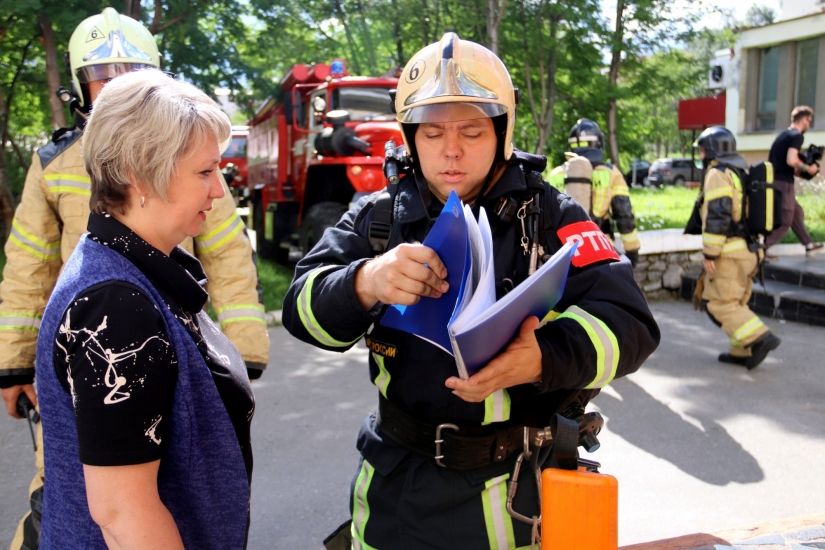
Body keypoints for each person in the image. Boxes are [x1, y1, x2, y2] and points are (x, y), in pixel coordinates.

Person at [283, 33, 659, 549]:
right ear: (410, 137)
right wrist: (364, 282)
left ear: (501, 132)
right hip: (395, 489)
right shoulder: (376, 218)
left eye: (472, 131)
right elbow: (301, 310)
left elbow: (632, 323)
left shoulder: (551, 215)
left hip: (516, 492)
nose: (452, 150)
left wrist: (544, 357)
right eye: (433, 133)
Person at [0, 8, 268, 549]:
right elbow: (124, 515)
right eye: (204, 172)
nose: (220, 192)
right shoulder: (114, 306)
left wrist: (245, 347)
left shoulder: (143, 268)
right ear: (139, 174)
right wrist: (12, 362)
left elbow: (231, 262)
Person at [694, 126, 781, 369]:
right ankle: (741, 350)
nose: (701, 155)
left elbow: (718, 214)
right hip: (751, 250)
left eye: (702, 150)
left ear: (711, 150)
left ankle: (760, 337)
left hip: (729, 252)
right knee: (736, 302)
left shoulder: (717, 174)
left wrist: (710, 253)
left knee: (719, 303)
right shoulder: (740, 172)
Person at [548, 118, 641, 267]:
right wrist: (632, 251)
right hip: (601, 250)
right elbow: (623, 214)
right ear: (598, 142)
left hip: (564, 252)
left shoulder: (555, 174)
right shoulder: (610, 172)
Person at [765, 105, 822, 255]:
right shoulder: (797, 136)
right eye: (809, 121)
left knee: (796, 212)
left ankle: (809, 245)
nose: (809, 125)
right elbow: (791, 160)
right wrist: (809, 169)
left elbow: (784, 164)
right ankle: (761, 249)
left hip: (775, 181)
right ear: (804, 120)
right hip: (784, 185)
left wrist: (801, 171)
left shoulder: (783, 136)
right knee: (785, 221)